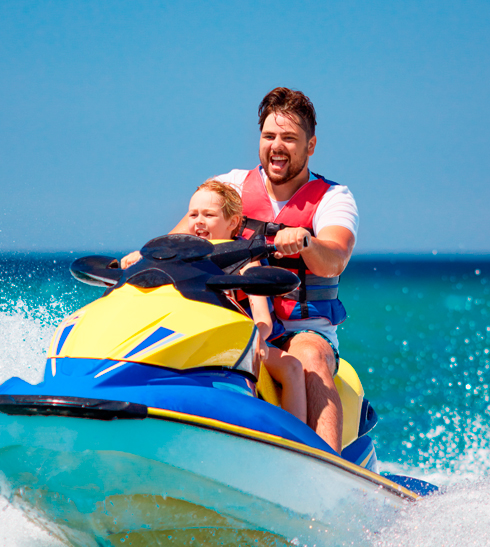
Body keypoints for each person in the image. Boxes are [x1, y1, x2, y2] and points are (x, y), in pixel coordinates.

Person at [121, 88, 357, 452]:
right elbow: (179, 240)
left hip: (301, 328)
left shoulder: (332, 198)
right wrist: (141, 257)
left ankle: (328, 468)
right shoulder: (229, 187)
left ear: (310, 146)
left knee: (307, 357)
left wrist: (307, 242)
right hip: (234, 318)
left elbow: (336, 256)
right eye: (269, 136)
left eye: (289, 138)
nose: (277, 146)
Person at [180, 179, 307, 423]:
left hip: (246, 341)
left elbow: (262, 317)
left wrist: (256, 340)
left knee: (292, 367)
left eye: (209, 214)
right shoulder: (184, 261)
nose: (199, 221)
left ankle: (297, 439)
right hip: (201, 339)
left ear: (233, 222)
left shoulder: (245, 262)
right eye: (193, 214)